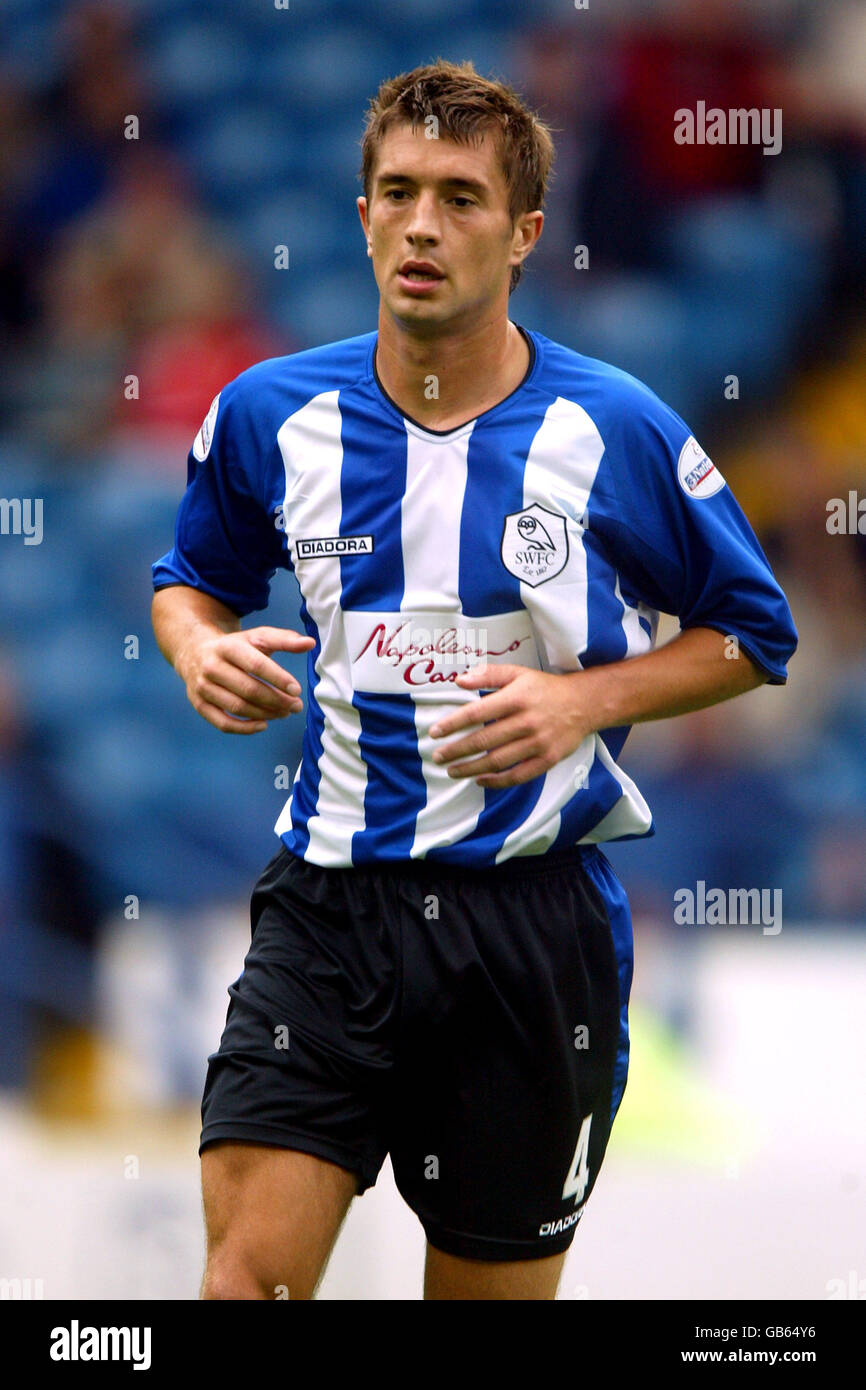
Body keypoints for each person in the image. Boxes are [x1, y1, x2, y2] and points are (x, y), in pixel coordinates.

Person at [151, 59, 797, 1301]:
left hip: (528, 935)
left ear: (522, 235)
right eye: (396, 192)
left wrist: (582, 699)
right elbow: (190, 580)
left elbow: (752, 633)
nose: (422, 225)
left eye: (459, 197)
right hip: (329, 918)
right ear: (360, 217)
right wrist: (193, 647)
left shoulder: (615, 430)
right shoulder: (269, 416)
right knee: (245, 1285)